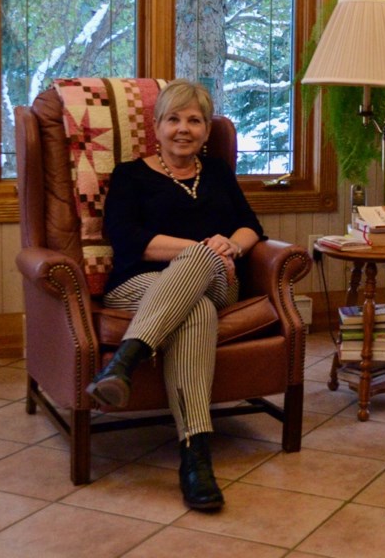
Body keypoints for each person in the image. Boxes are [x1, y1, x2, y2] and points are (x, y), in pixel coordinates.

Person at [85, 79, 265, 511]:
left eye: (194, 120)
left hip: (219, 277)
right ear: (157, 125)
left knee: (201, 274)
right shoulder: (130, 176)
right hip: (139, 285)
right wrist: (203, 248)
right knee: (196, 308)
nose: (183, 129)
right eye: (173, 119)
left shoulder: (218, 172)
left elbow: (250, 227)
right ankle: (196, 456)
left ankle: (125, 360)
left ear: (206, 128)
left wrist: (232, 246)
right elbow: (131, 241)